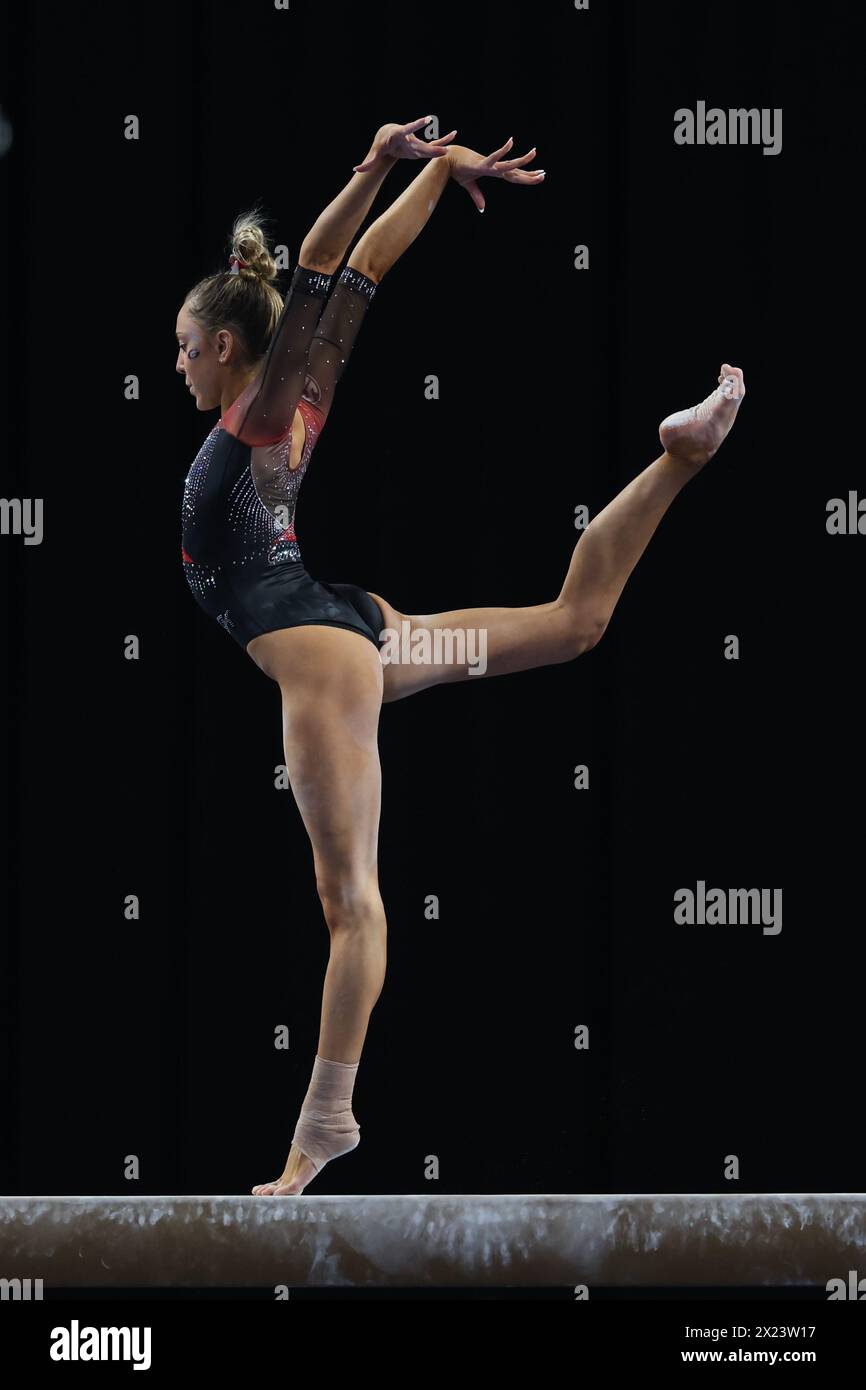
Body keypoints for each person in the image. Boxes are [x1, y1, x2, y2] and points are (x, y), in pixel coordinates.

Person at [176, 118, 745, 1197]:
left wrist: (381, 165)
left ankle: (323, 1123)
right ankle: (679, 461)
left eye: (182, 346)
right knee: (574, 621)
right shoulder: (303, 398)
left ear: (225, 348)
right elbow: (364, 264)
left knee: (351, 904)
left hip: (323, 657)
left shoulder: (258, 411)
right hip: (363, 630)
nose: (176, 364)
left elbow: (316, 269)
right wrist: (432, 169)